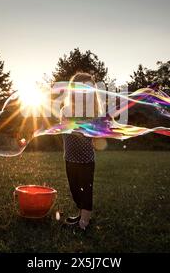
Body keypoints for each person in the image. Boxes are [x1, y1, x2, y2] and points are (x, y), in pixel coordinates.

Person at [61, 72, 103, 230]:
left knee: (85, 190)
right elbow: (65, 127)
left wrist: (98, 128)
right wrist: (75, 124)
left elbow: (97, 136)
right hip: (69, 157)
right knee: (74, 189)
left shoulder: (93, 113)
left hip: (86, 160)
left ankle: (84, 222)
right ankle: (81, 214)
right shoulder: (65, 109)